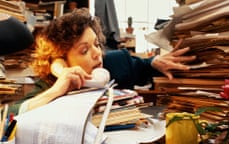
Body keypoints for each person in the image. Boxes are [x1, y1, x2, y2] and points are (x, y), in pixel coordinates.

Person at [8, 8, 195, 115]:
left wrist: (154, 61)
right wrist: (58, 89)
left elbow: (144, 66)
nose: (97, 53)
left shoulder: (115, 62)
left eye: (96, 44)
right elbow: (7, 116)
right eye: (84, 50)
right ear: (61, 59)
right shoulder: (50, 86)